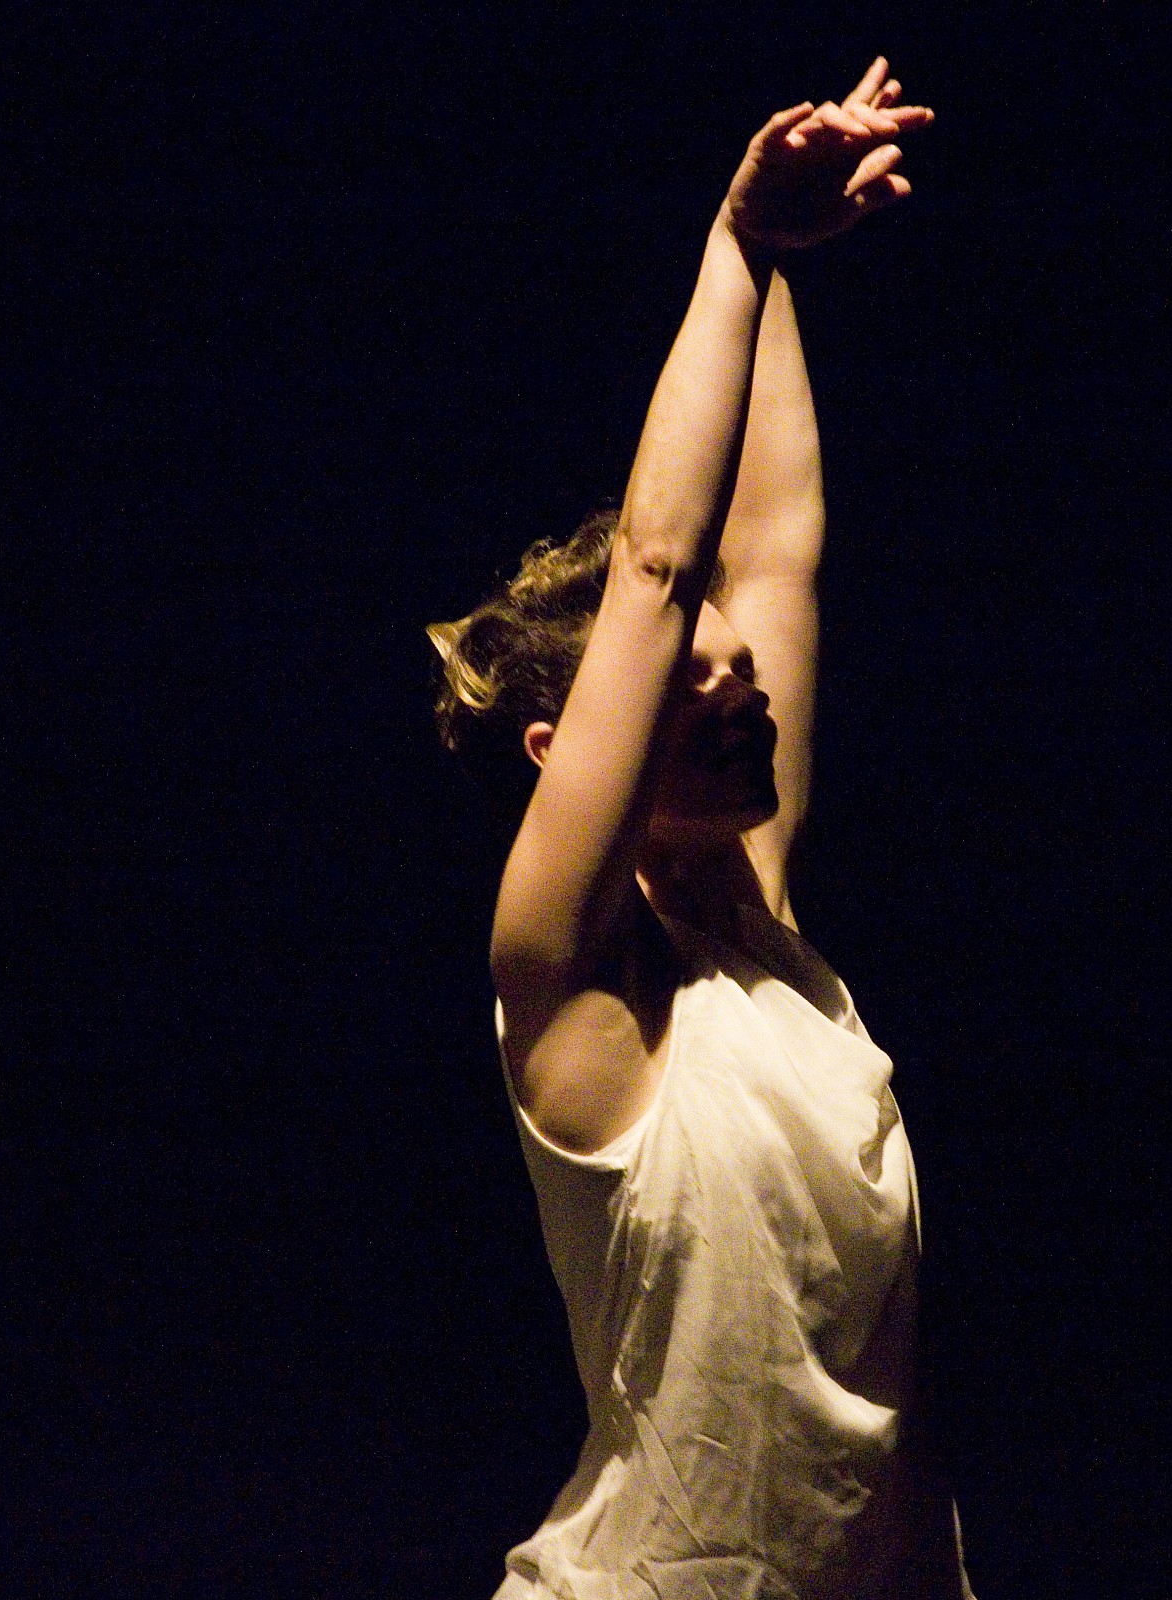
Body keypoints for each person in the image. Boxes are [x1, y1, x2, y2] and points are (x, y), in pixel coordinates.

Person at [429, 59, 974, 1600]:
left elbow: (771, 542)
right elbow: (665, 566)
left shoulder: (765, 925)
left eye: (747, 672)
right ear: (570, 747)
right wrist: (732, 242)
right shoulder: (574, 975)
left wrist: (788, 261)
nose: (746, 690)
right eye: (696, 682)